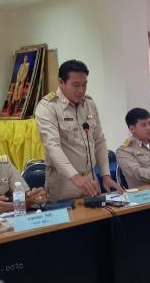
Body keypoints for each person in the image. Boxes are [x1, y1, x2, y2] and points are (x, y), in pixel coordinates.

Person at [35, 59, 121, 200]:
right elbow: (52, 146)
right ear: (61, 82)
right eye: (76, 85)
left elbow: (99, 141)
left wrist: (106, 175)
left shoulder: (89, 104)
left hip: (90, 181)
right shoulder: (48, 107)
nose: (81, 90)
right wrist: (75, 177)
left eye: (84, 84)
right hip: (64, 183)